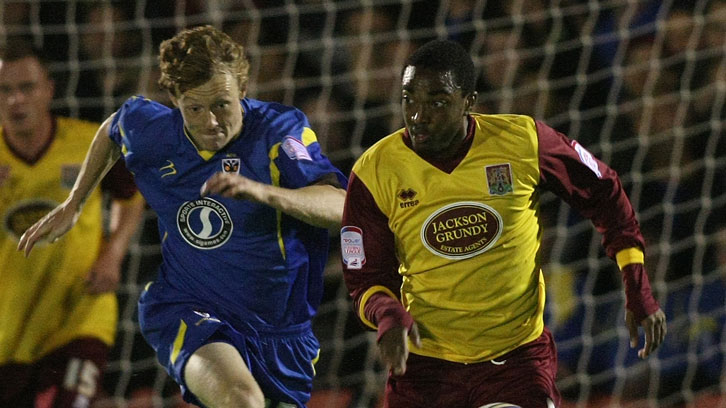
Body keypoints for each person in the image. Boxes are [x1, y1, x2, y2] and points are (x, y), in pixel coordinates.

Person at [18, 25, 347, 408]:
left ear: (242, 90)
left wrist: (265, 192)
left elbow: (339, 206)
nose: (210, 122)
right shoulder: (155, 131)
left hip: (280, 331)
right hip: (187, 308)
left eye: (222, 104)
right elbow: (115, 127)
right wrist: (74, 203)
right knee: (243, 401)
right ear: (174, 99)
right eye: (194, 108)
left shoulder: (278, 131)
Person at [340, 39, 667, 408]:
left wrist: (636, 284)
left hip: (514, 362)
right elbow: (364, 277)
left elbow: (605, 193)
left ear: (469, 102)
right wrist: (387, 314)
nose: (418, 114)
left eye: (437, 102)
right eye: (408, 98)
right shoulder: (374, 171)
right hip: (425, 365)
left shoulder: (522, 141)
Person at [0, 38, 144, 407]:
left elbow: (132, 197)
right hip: (9, 331)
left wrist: (113, 254)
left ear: (48, 89)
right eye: (4, 90)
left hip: (78, 317)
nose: (16, 100)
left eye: (26, 87)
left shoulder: (88, 144)